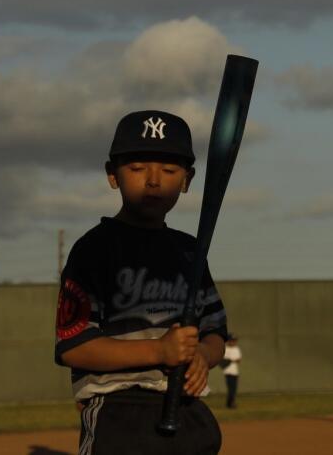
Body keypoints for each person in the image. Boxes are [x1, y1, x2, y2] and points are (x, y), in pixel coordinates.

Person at [55, 110, 228, 455]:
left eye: (168, 170)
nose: (153, 180)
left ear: (187, 179)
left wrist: (202, 356)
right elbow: (73, 346)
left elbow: (215, 331)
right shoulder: (94, 249)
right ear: (112, 175)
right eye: (137, 168)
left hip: (188, 407)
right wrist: (158, 351)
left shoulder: (190, 251)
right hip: (120, 414)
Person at [221, 333, 242, 408]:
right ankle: (231, 403)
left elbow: (239, 360)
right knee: (231, 389)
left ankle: (229, 403)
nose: (233, 342)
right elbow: (223, 360)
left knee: (234, 389)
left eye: (234, 340)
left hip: (235, 372)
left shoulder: (236, 349)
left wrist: (230, 360)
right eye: (232, 340)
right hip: (228, 372)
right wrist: (232, 360)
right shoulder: (225, 349)